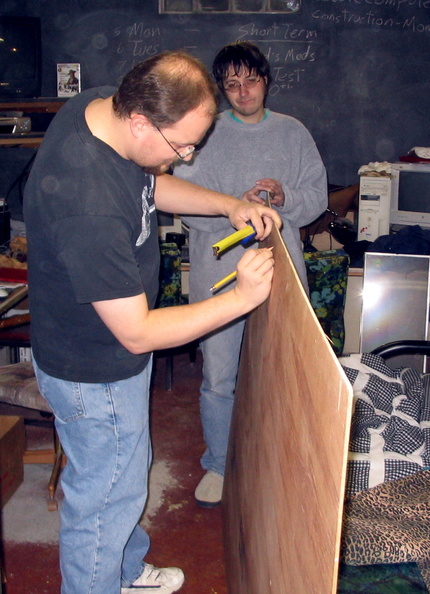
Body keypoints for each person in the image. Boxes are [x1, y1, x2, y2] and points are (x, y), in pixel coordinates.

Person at [23, 51, 280, 594]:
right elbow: (137, 331)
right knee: (103, 499)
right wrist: (241, 298)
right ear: (141, 121)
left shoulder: (103, 108)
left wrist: (227, 206)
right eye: (181, 146)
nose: (185, 157)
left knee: (122, 477)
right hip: (95, 368)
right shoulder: (85, 198)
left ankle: (125, 569)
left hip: (109, 357)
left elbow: (148, 187)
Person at [174, 41, 327, 508]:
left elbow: (316, 199)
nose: (243, 92)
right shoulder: (204, 132)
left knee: (284, 372)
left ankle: (278, 460)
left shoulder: (293, 133)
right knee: (220, 376)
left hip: (282, 272)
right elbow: (184, 206)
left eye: (251, 80)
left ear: (266, 79)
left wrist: (283, 200)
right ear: (221, 89)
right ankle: (219, 464)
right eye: (232, 84)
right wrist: (231, 210)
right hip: (218, 272)